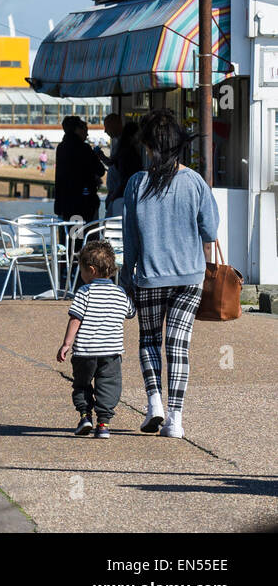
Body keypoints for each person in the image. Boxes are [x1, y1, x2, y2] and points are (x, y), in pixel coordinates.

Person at [121, 109, 219, 440]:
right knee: (179, 345)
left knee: (149, 340)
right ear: (178, 145)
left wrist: (126, 277)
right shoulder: (194, 182)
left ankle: (154, 404)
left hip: (149, 274)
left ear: (149, 146)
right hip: (189, 275)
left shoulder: (136, 184)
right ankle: (175, 419)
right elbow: (210, 230)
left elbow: (130, 239)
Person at [56, 240, 134, 439]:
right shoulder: (120, 293)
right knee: (109, 384)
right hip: (111, 352)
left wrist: (67, 344)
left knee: (82, 384)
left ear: (91, 270)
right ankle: (103, 424)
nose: (80, 275)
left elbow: (76, 319)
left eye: (81, 270)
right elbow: (130, 312)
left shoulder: (85, 292)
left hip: (85, 352)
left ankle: (84, 416)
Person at [53, 116, 104, 223]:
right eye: (85, 131)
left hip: (64, 202)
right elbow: (100, 170)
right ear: (77, 129)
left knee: (68, 235)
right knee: (84, 236)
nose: (87, 134)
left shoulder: (61, 147)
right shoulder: (83, 148)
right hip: (83, 202)